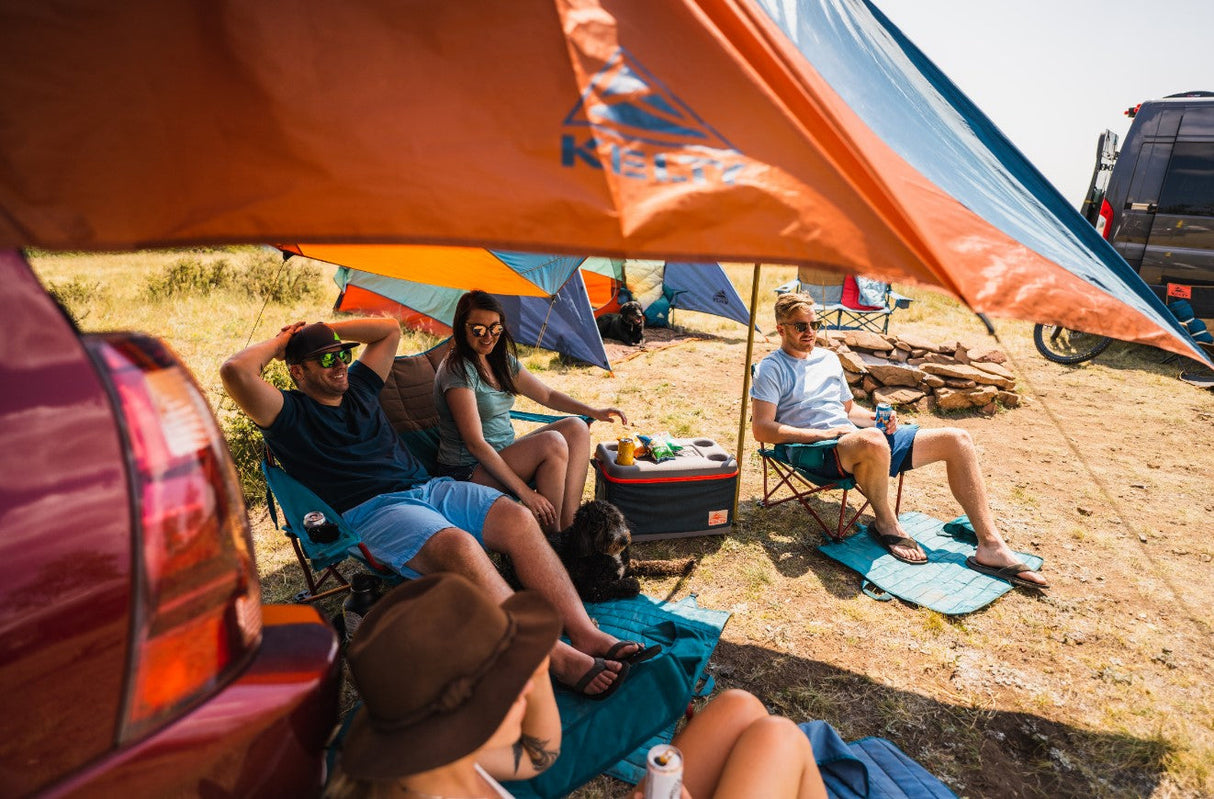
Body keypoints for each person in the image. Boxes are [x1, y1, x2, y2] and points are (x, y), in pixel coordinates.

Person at [220, 318, 657, 698]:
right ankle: (552, 655)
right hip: (372, 510)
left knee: (518, 518)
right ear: (296, 372)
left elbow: (388, 330)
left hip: (429, 488)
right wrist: (285, 340)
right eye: (326, 360)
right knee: (461, 547)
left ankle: (584, 632)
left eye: (341, 355)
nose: (339, 366)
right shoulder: (286, 412)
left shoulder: (360, 388)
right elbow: (235, 370)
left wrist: (322, 330)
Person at [329, 572, 828, 799]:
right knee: (778, 738)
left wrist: (528, 656)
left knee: (739, 707)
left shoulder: (448, 762)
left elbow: (540, 756)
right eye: (509, 684)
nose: (527, 689)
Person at [750, 292, 1048, 589]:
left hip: (858, 440)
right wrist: (823, 434)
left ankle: (990, 545)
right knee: (874, 441)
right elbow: (762, 429)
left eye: (815, 324)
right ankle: (886, 524)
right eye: (801, 326)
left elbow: (849, 411)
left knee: (957, 439)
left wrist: (880, 420)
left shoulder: (828, 359)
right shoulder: (771, 368)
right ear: (781, 329)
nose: (810, 332)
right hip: (817, 451)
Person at [434, 290, 627, 534]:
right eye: (479, 330)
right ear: (462, 328)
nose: (488, 337)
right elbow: (475, 444)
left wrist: (592, 410)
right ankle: (553, 538)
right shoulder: (458, 370)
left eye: (495, 328)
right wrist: (526, 494)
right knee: (552, 443)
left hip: (501, 455)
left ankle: (569, 529)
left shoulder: (498, 359)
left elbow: (546, 395)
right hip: (468, 472)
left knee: (576, 427)